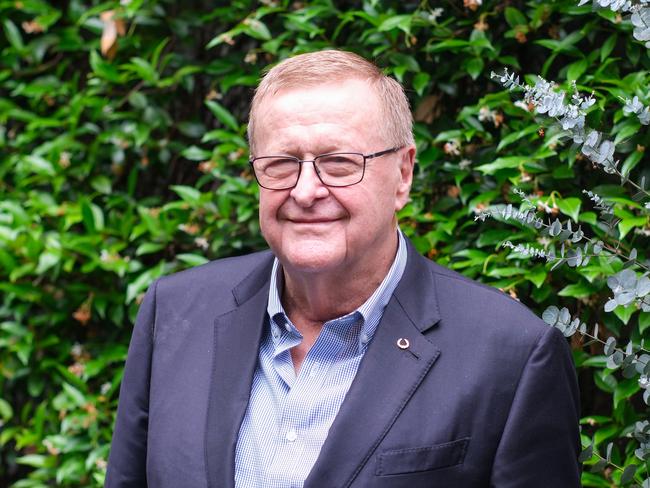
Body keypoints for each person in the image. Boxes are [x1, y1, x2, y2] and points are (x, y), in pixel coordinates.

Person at [105, 50, 581, 488]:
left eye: (338, 162)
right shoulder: (175, 312)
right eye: (281, 163)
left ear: (403, 174)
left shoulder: (512, 356)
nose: (306, 191)